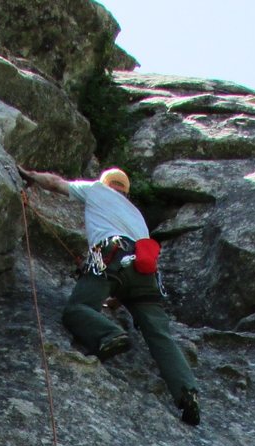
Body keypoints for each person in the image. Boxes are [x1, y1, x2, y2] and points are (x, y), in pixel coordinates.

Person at [18, 165, 201, 426]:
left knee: (77, 309)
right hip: (145, 273)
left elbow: (56, 183)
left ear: (104, 183)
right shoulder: (136, 215)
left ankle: (109, 334)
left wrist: (30, 176)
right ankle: (187, 393)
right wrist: (115, 299)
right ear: (125, 191)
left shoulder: (96, 190)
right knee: (160, 335)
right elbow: (130, 278)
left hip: (112, 256)